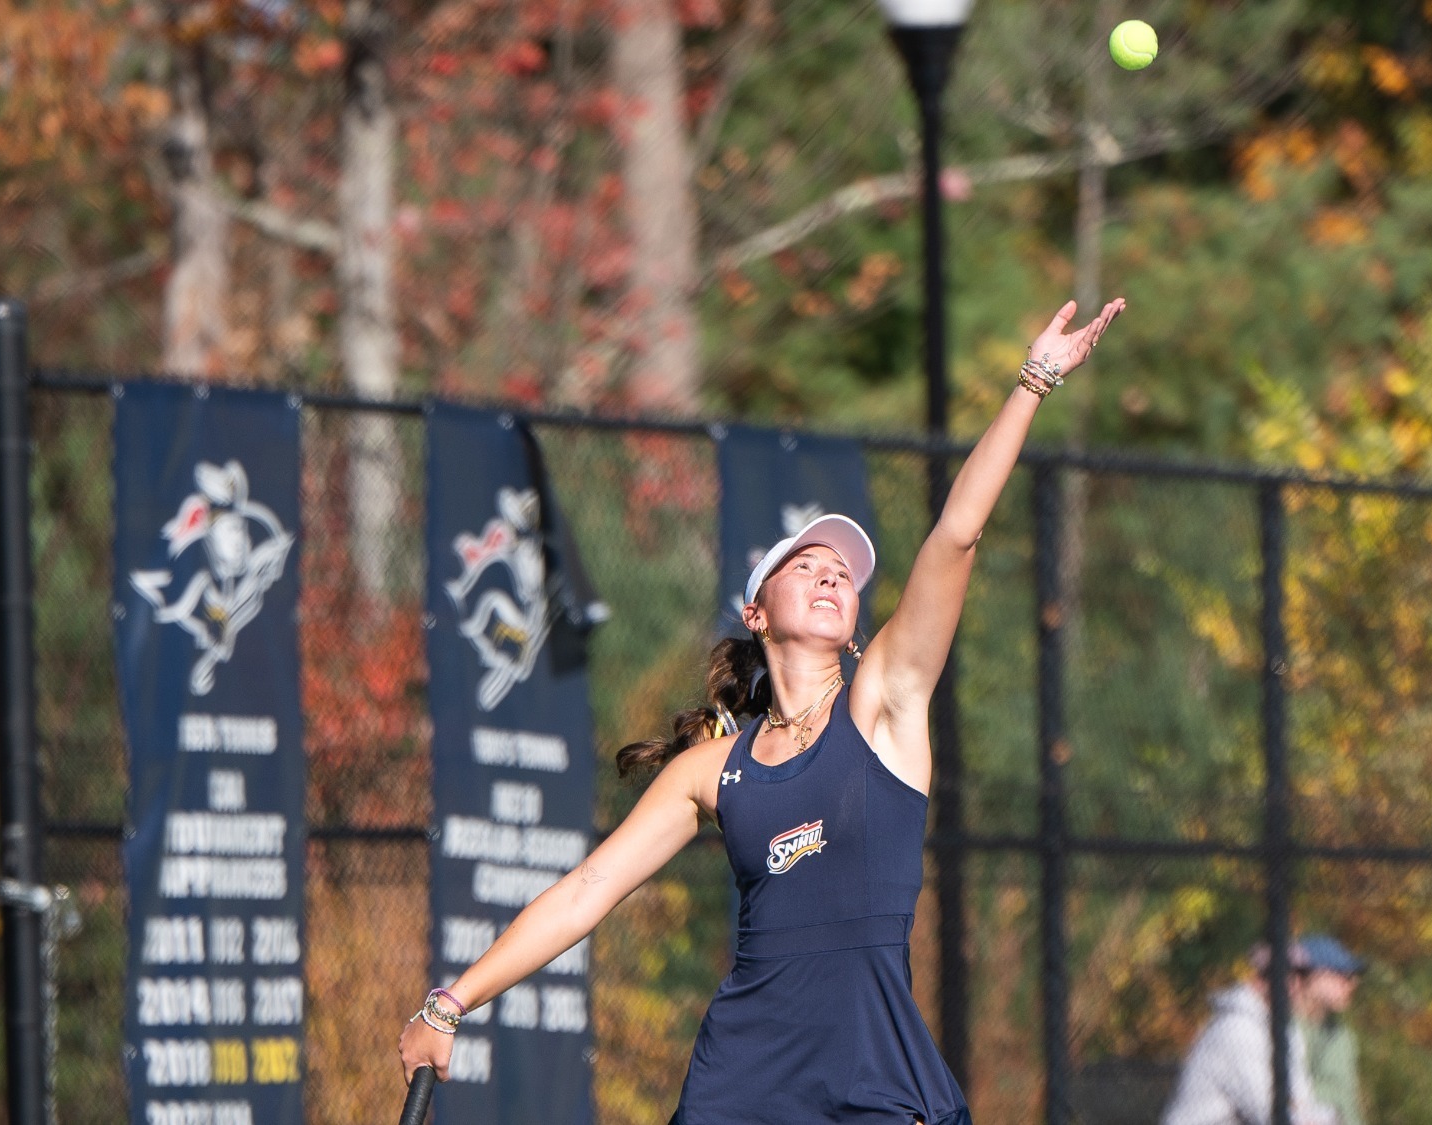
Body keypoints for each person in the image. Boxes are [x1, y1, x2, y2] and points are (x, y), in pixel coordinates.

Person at [397, 296, 1126, 1123]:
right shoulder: (713, 768)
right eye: (806, 564)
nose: (830, 577)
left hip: (874, 1092)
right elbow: (588, 889)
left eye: (843, 574)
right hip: (738, 1093)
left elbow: (955, 536)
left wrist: (1033, 382)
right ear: (755, 611)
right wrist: (449, 1003)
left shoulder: (884, 703)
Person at [1159, 943, 1338, 1125]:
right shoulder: (1237, 1030)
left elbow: (1302, 1104)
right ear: (1260, 978)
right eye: (1288, 975)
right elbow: (1272, 1116)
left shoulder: (1285, 1031)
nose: (1297, 986)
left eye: (1303, 976)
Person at [1294, 935, 1367, 1125]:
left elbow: (1347, 1107)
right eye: (1341, 973)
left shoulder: (1341, 1035)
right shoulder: (1271, 1029)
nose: (1352, 983)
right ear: (1308, 976)